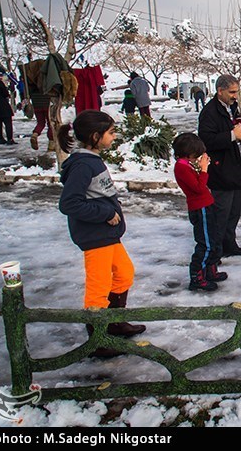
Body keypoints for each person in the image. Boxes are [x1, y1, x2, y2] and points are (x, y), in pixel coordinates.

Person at [58, 110, 145, 357]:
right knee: (98, 288)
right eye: (111, 132)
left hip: (107, 235)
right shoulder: (83, 164)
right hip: (95, 236)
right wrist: (104, 213)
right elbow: (69, 204)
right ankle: (98, 339)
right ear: (96, 136)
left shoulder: (92, 159)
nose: (114, 137)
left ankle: (114, 323)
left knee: (124, 274)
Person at [198, 74, 241, 259]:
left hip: (233, 165)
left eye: (237, 92)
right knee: (220, 213)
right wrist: (232, 135)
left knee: (233, 211)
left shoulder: (231, 107)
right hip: (220, 169)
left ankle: (229, 244)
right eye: (232, 92)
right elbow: (206, 140)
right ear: (220, 91)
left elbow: (235, 127)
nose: (235, 96)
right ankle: (215, 252)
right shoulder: (209, 112)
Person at [172, 133, 228, 292]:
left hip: (207, 205)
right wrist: (204, 170)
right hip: (200, 208)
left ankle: (210, 270)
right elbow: (198, 188)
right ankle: (197, 276)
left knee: (215, 239)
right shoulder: (181, 167)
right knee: (206, 243)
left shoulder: (187, 164)